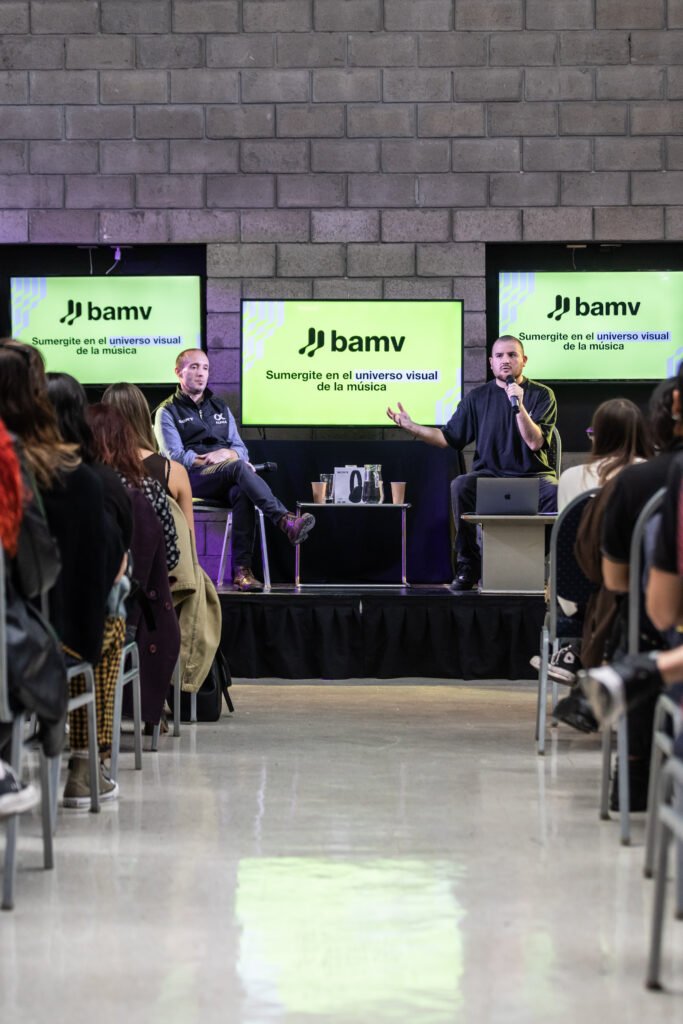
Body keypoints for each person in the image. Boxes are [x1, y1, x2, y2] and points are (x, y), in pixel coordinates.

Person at [0, 342, 123, 805]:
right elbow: (41, 576)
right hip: (41, 641)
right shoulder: (74, 479)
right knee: (111, 626)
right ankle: (87, 763)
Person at [387, 335, 558, 590]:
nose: (506, 361)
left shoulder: (542, 395)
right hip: (490, 477)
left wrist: (519, 405)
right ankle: (469, 565)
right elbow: (447, 438)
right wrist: (412, 426)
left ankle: (544, 558)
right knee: (460, 485)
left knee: (558, 493)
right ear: (491, 363)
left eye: (512, 355)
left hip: (534, 477)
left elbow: (535, 442)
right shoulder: (477, 397)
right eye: (499, 356)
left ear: (524, 360)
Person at [154, 348, 315, 591]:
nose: (201, 374)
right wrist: (221, 460)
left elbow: (240, 448)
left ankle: (242, 571)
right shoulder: (167, 411)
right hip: (191, 478)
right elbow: (174, 456)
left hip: (227, 474)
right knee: (238, 469)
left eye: (205, 368)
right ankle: (284, 520)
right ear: (178, 372)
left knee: (243, 491)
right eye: (194, 367)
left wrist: (228, 454)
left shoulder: (220, 407)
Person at [101, 381, 195, 533]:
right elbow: (188, 542)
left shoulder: (93, 470)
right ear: (144, 417)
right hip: (165, 556)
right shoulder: (174, 472)